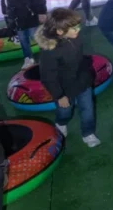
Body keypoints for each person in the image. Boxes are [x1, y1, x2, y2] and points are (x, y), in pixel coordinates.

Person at [36, 8, 101, 148]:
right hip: (63, 88)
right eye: (74, 28)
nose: (78, 29)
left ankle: (88, 133)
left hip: (82, 81)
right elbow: (48, 76)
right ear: (60, 31)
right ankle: (61, 122)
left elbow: (79, 57)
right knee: (65, 110)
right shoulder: (50, 51)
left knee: (88, 109)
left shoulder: (75, 38)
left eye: (78, 26)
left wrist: (87, 70)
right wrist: (59, 95)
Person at [0, 0, 47, 69]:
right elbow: (3, 0)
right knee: (23, 39)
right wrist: (6, 15)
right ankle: (28, 58)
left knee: (36, 37)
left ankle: (48, 56)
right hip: (15, 19)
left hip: (30, 17)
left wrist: (41, 12)